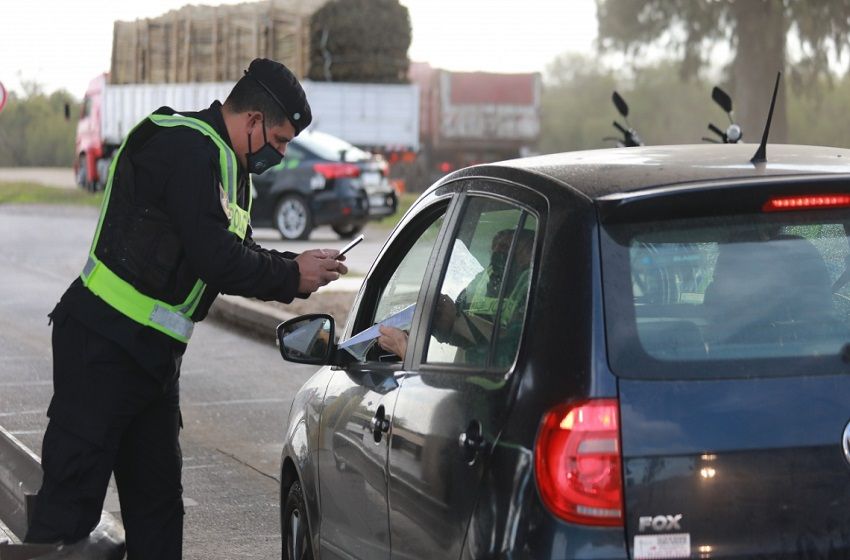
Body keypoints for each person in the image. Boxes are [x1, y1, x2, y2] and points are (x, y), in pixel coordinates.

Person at [25, 58, 347, 559]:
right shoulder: (185, 146)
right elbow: (214, 258)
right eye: (280, 141)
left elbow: (237, 252)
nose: (281, 155)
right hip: (102, 346)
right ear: (255, 121)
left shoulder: (231, 169)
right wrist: (291, 276)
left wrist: (297, 266)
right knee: (68, 510)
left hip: (153, 360)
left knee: (157, 510)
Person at [377, 229, 533, 363]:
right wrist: (451, 322)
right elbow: (483, 336)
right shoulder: (481, 280)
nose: (497, 254)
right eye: (495, 248)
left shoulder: (532, 288)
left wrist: (406, 350)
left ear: (528, 253)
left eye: (506, 248)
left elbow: (505, 358)